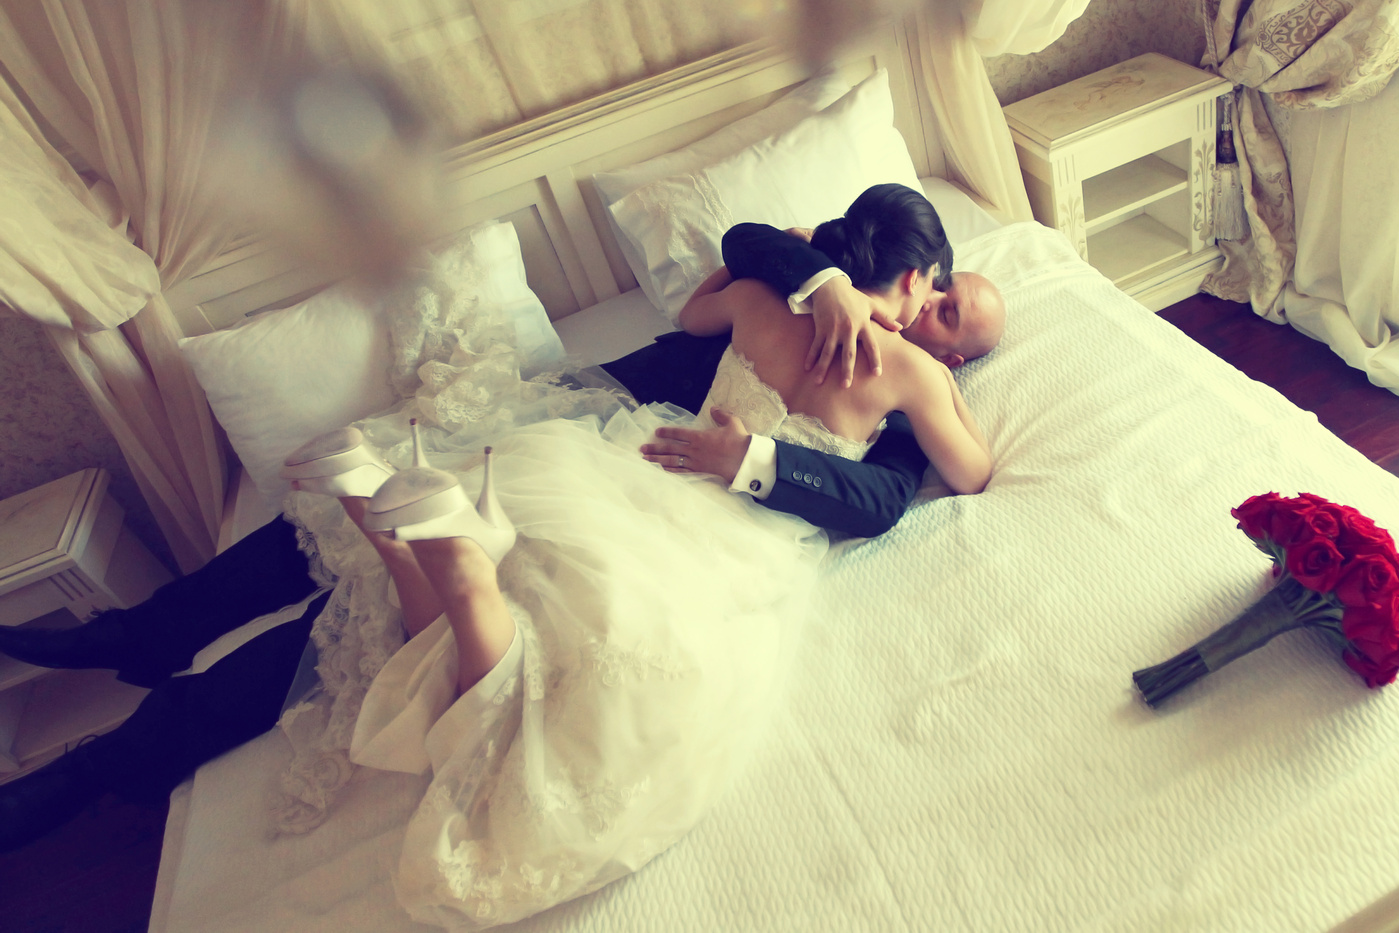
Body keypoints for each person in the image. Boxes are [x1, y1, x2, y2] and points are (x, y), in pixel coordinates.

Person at [0, 191, 1003, 859]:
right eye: (946, 294)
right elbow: (746, 261)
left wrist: (817, 389)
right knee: (362, 539)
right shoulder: (812, 293)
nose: (940, 316)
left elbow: (882, 484)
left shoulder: (867, 353)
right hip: (617, 427)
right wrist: (815, 275)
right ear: (914, 276)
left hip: (653, 469)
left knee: (398, 588)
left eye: (959, 321)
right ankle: (138, 639)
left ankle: (114, 754)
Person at [277, 182, 993, 926]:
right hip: (739, 540)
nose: (925, 314)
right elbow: (973, 472)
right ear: (914, 278)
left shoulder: (755, 297)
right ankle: (453, 566)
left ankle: (411, 529)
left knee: (538, 591)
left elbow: (690, 314)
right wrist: (947, 376)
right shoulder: (911, 372)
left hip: (638, 476)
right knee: (605, 664)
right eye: (934, 294)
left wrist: (806, 264)